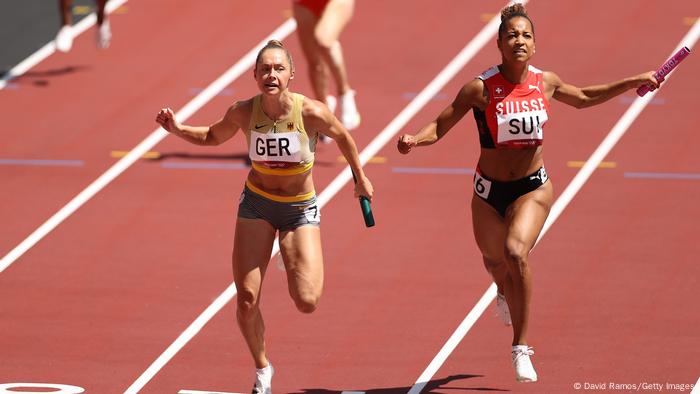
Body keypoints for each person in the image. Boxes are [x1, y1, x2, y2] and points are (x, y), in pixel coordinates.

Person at [397, 3, 659, 383]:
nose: (519, 40)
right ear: (500, 44)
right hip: (488, 194)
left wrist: (633, 80)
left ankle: (520, 347)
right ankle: (502, 290)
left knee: (516, 252)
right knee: (494, 263)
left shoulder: (545, 82)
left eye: (526, 35)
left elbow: (584, 96)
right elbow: (440, 125)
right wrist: (413, 140)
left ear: (534, 45)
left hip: (532, 189)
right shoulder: (480, 89)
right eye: (512, 35)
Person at [156, 40, 373, 394]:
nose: (271, 75)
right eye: (265, 69)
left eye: (278, 69)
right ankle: (262, 369)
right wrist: (177, 128)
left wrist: (360, 178)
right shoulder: (243, 111)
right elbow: (212, 136)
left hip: (299, 208)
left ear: (290, 74)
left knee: (307, 301)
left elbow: (344, 136)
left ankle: (291, 255)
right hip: (256, 205)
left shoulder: (311, 113)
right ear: (255, 75)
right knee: (245, 299)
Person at [292, 0, 361, 141]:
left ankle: (344, 92)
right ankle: (324, 109)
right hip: (304, 3)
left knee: (324, 40)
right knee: (315, 63)